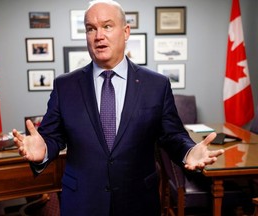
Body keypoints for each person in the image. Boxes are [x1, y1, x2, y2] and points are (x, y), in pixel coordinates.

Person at [13, 1, 224, 215]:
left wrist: (189, 150)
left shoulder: (156, 85)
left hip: (138, 201)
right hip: (82, 202)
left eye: (107, 26)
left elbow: (172, 135)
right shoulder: (65, 85)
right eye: (90, 28)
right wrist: (43, 151)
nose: (98, 36)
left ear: (125, 32)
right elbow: (52, 136)